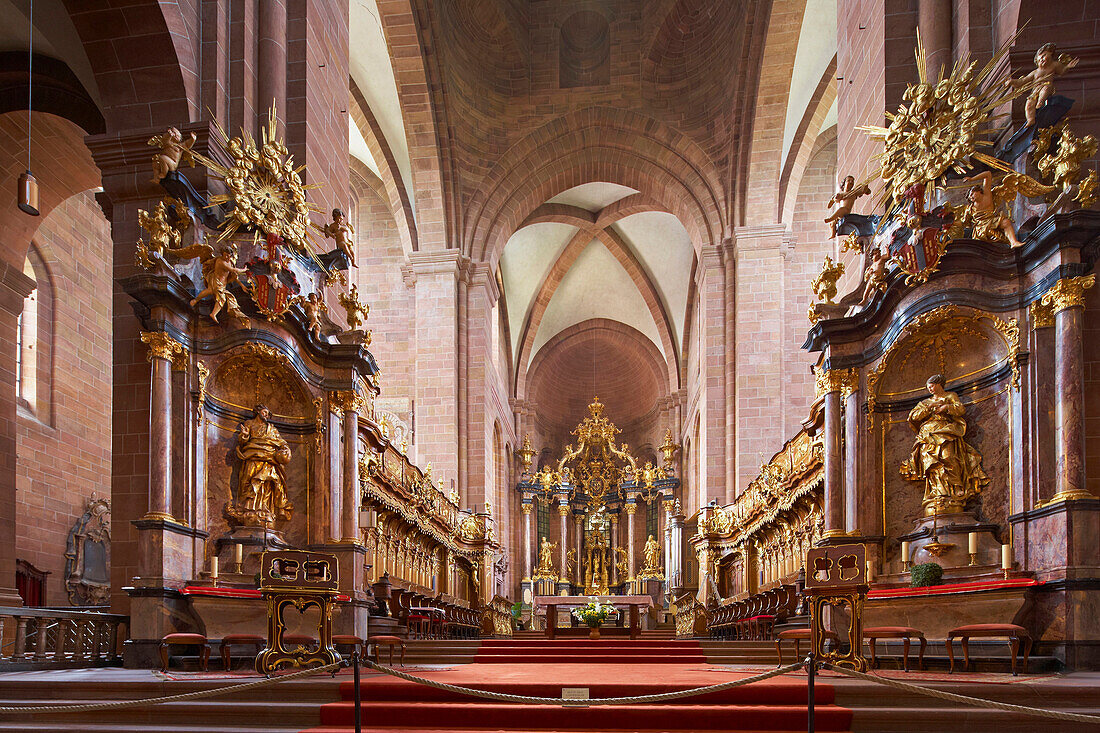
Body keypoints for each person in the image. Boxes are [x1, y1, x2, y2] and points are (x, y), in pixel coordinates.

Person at [900, 375, 989, 515]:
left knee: (949, 457)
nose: (930, 389)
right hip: (928, 435)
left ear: (939, 384)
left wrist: (946, 407)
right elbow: (913, 416)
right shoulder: (926, 402)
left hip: (946, 431)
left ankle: (955, 489)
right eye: (928, 387)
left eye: (932, 385)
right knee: (931, 465)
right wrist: (929, 408)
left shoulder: (950, 396)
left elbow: (960, 410)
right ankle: (936, 492)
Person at [230, 404, 293, 526]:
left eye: (268, 414)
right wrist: (244, 435)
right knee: (249, 482)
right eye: (264, 412)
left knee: (267, 486)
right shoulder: (249, 424)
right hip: (252, 456)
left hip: (270, 460)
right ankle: (249, 510)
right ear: (257, 412)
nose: (266, 415)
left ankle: (265, 510)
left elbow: (281, 442)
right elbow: (243, 441)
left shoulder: (272, 429)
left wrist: (286, 450)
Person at [1004, 43, 1079, 127]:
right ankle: (1030, 119)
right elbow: (1022, 81)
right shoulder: (1035, 72)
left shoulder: (1053, 65)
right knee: (1029, 104)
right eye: (1039, 59)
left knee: (1045, 90)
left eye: (1044, 56)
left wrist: (1068, 67)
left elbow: (1061, 71)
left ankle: (1040, 102)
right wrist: (1011, 82)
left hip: (1047, 85)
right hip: (1035, 90)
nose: (1042, 59)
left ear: (1050, 54)